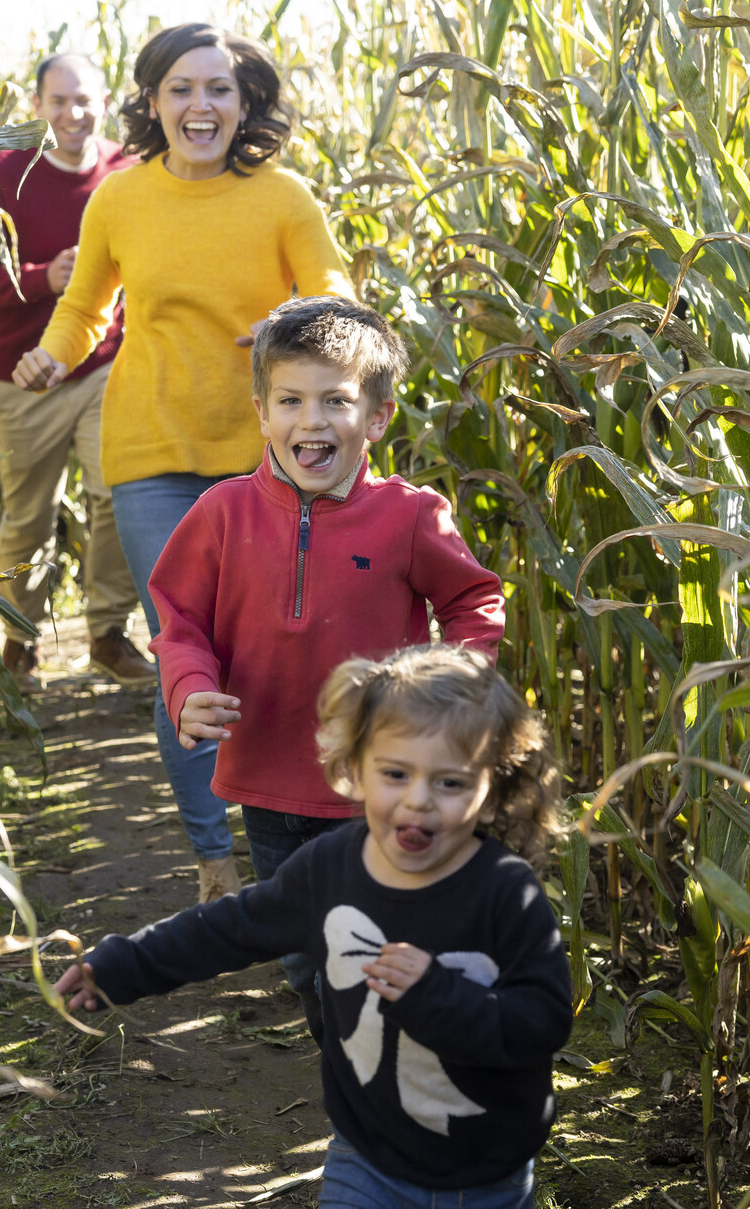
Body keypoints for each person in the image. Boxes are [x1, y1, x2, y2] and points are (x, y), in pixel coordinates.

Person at [13, 23, 352, 901]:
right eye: (182, 89)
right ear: (154, 102)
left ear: (245, 104)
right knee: (186, 651)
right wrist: (51, 355)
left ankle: (287, 850)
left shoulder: (282, 197)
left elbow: (335, 293)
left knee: (275, 654)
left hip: (267, 457)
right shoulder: (121, 199)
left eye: (219, 90)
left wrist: (295, 322)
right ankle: (213, 861)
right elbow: (85, 307)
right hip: (151, 452)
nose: (201, 106)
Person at [52, 646, 569, 1209]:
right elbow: (228, 929)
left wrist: (436, 996)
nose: (418, 800)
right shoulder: (329, 870)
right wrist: (121, 967)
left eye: (450, 783)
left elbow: (542, 1022)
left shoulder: (506, 893)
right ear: (354, 770)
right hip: (366, 1154)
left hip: (484, 1170)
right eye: (395, 774)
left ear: (492, 795)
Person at [146, 295, 507, 1024]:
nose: (310, 420)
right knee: (307, 955)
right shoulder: (222, 514)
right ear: (261, 413)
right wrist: (188, 687)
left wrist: (456, 682)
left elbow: (474, 599)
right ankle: (336, 1023)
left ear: (376, 418)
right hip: (268, 780)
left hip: (380, 779)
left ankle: (381, 1058)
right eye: (290, 401)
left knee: (374, 950)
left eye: (335, 401)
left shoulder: (410, 515)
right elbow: (179, 618)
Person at [0, 53, 154, 692]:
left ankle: (108, 634)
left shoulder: (128, 173)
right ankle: (22, 639)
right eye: (59, 101)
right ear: (37, 106)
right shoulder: (0, 176)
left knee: (116, 497)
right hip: (19, 376)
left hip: (103, 367)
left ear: (105, 102)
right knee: (27, 517)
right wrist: (44, 278)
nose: (73, 113)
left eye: (85, 100)